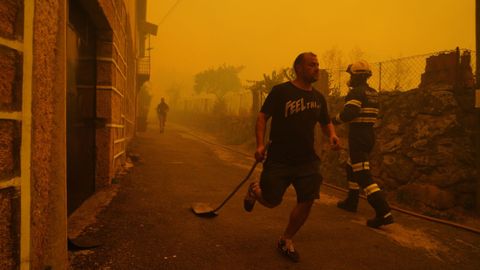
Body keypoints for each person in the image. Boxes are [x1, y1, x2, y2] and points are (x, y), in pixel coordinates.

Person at [243, 52, 340, 262]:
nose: (316, 68)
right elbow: (262, 117)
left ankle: (286, 239)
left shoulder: (318, 98)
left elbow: (326, 122)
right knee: (270, 201)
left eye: (317, 64)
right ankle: (255, 189)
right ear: (298, 68)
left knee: (307, 200)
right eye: (311, 65)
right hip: (279, 158)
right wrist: (260, 145)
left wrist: (331, 135)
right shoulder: (281, 92)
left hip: (307, 160)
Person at [331, 60, 394, 228]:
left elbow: (349, 113)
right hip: (368, 134)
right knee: (351, 167)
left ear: (356, 77)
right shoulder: (373, 93)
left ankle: (384, 212)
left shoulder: (355, 93)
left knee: (364, 176)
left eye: (351, 75)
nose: (349, 78)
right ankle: (351, 201)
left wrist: (333, 121)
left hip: (358, 136)